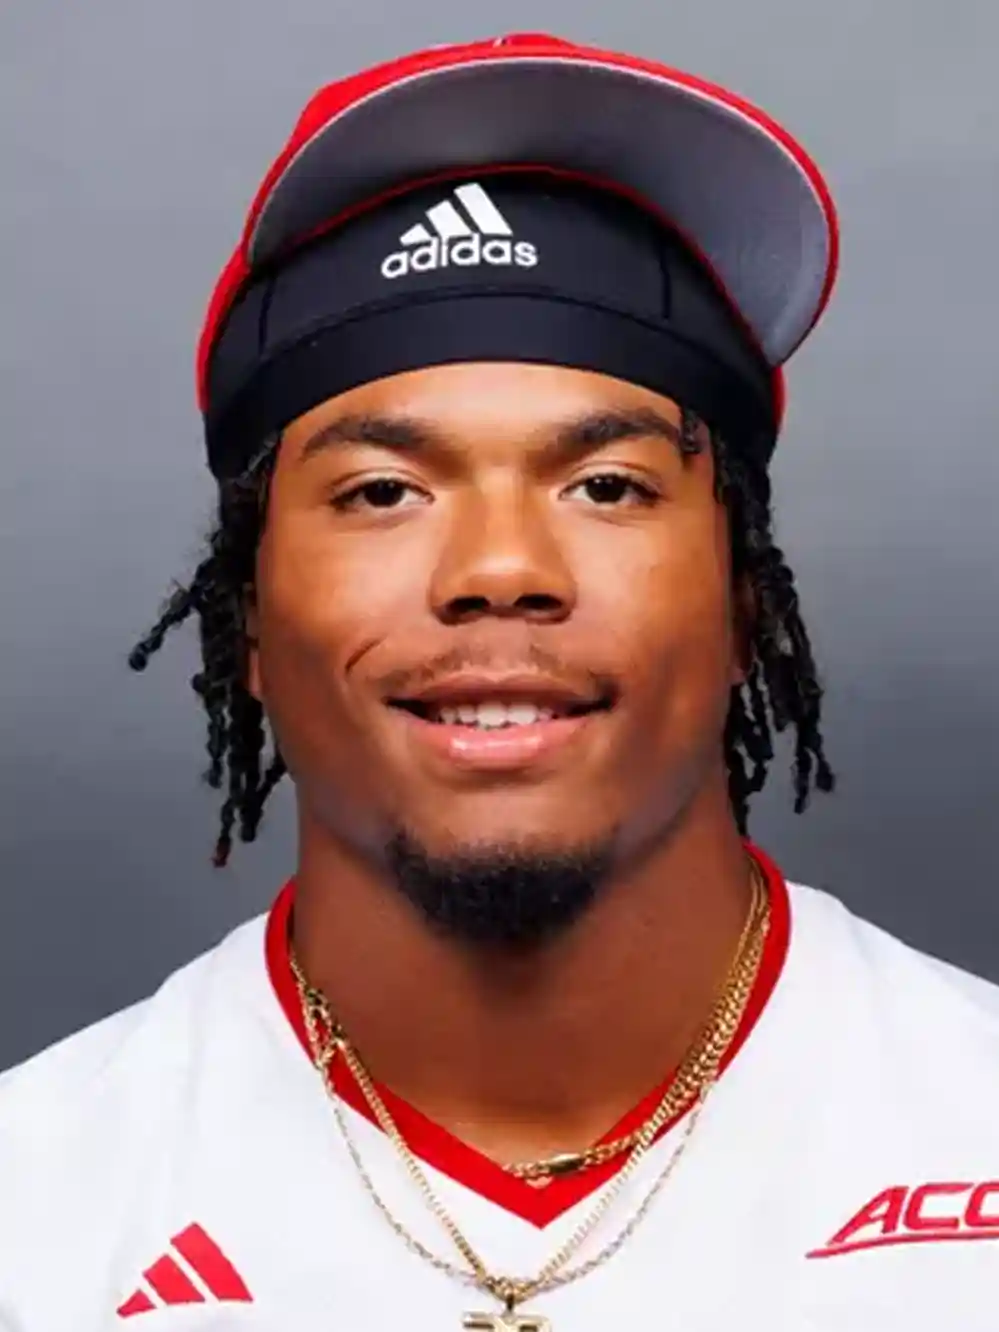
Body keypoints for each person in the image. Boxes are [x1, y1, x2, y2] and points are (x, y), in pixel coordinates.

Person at [1, 31, 997, 1332]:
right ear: (246, 624)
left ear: (743, 605)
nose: (501, 569)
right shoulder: (39, 1206)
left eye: (606, 486)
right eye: (382, 492)